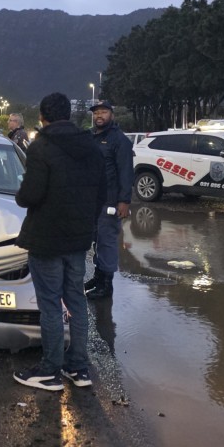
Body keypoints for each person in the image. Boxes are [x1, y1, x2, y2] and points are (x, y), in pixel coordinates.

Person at [13, 92, 105, 391]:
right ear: (69, 114)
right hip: (78, 240)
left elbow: (30, 195)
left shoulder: (42, 147)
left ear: (43, 117)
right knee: (76, 300)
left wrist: (20, 195)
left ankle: (50, 370)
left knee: (51, 304)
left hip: (47, 239)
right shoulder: (91, 146)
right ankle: (78, 368)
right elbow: (101, 193)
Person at [85, 100, 134, 299]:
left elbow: (126, 172)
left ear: (111, 115)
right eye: (96, 112)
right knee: (97, 240)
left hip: (110, 200)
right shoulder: (92, 137)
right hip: (93, 200)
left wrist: (124, 201)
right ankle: (98, 277)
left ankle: (106, 285)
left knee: (107, 242)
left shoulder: (119, 140)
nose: (99, 115)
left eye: (103, 112)